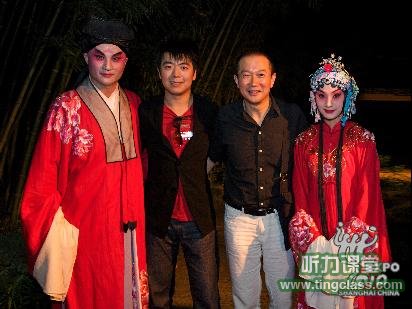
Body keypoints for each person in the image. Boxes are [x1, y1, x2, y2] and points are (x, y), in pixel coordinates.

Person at [20, 17, 148, 309]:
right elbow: (42, 181)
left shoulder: (136, 104)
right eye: (99, 56)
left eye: (116, 58)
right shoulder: (66, 107)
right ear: (85, 57)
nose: (107, 66)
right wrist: (59, 234)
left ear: (125, 62)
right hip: (85, 233)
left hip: (130, 229)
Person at [289, 54, 392, 309]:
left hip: (352, 240)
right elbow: (300, 193)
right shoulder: (304, 142)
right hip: (317, 240)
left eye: (336, 95)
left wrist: (344, 243)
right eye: (321, 95)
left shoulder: (363, 140)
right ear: (313, 98)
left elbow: (367, 195)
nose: (329, 102)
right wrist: (315, 241)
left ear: (347, 98)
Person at [208, 49, 307, 308]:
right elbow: (211, 158)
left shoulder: (292, 116)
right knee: (244, 295)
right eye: (246, 75)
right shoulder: (225, 117)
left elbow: (309, 163)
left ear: (272, 79)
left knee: (283, 294)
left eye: (261, 75)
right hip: (238, 217)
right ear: (236, 80)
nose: (254, 83)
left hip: (280, 217)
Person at [138, 36, 219, 308]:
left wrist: (197, 174)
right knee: (158, 296)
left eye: (183, 67)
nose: (176, 74)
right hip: (159, 217)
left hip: (199, 217)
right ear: (159, 72)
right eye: (168, 66)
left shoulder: (209, 111)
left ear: (195, 73)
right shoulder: (146, 112)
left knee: (207, 295)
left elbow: (218, 151)